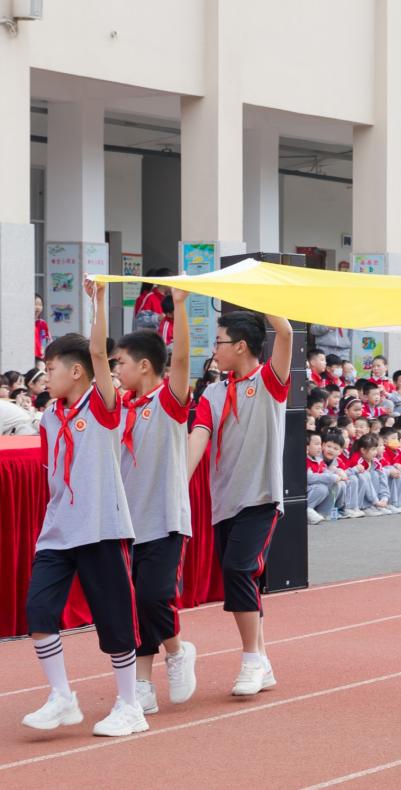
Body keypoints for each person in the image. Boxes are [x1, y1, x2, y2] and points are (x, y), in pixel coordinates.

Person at [23, 280, 145, 737]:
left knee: (114, 620)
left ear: (76, 373)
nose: (45, 373)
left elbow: (98, 354)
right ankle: (62, 698)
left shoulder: (102, 404)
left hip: (102, 526)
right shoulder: (51, 414)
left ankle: (130, 704)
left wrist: (97, 302)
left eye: (51, 367)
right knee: (39, 612)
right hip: (59, 529)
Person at [188, 309, 293, 695]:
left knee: (238, 569)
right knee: (241, 577)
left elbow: (284, 332)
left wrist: (261, 295)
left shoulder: (269, 381)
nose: (213, 350)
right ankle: (262, 661)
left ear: (241, 345)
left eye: (219, 342)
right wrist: (179, 480)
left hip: (261, 496)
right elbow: (198, 435)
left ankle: (250, 659)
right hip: (224, 501)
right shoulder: (213, 393)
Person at [113, 289, 198, 717]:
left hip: (164, 519)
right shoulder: (119, 408)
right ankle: (142, 684)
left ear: (144, 366)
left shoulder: (166, 402)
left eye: (120, 364)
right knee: (133, 605)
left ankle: (178, 651)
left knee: (153, 596)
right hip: (128, 524)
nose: (115, 371)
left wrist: (180, 307)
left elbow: (180, 361)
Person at [34, 293, 52, 359]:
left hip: (41, 357)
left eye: (40, 305)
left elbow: (48, 341)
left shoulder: (42, 324)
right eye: (35, 304)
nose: (38, 307)